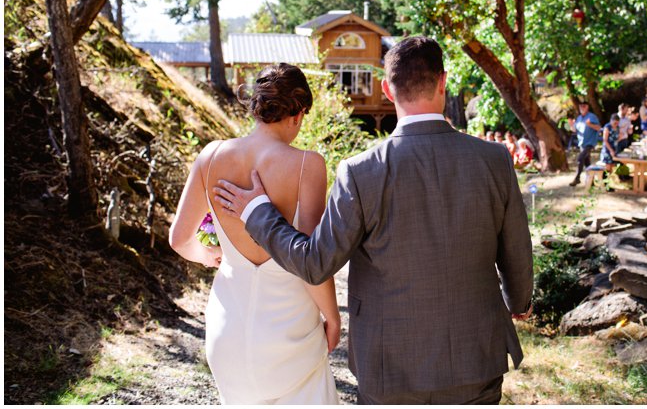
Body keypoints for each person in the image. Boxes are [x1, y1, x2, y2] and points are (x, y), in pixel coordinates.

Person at [213, 37, 534, 404]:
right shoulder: (493, 160)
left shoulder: (360, 171)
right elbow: (517, 249)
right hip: (476, 356)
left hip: (389, 363)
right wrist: (519, 300)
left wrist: (258, 212)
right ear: (443, 82)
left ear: (386, 89)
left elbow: (316, 263)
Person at [169, 63, 340, 405]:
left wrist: (213, 255)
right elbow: (310, 263)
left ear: (257, 107)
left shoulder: (212, 155)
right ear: (298, 113)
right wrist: (333, 318)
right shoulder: (308, 165)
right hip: (288, 332)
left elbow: (179, 239)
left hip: (227, 327)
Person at [568, 100, 602, 187]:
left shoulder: (592, 117)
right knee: (587, 163)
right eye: (581, 106)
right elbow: (575, 130)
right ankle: (592, 182)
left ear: (587, 107)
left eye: (584, 106)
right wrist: (571, 125)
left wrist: (590, 124)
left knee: (580, 158)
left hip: (590, 143)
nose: (582, 108)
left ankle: (577, 178)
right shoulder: (579, 118)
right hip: (581, 144)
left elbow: (599, 128)